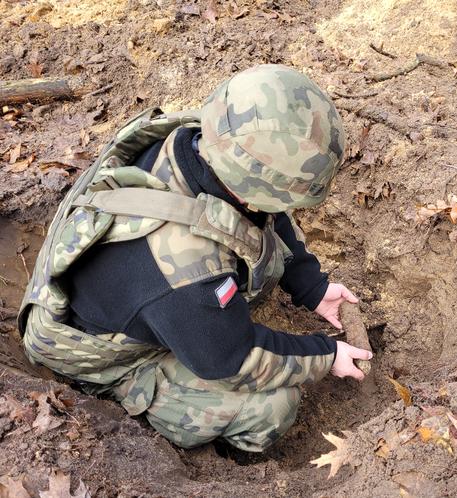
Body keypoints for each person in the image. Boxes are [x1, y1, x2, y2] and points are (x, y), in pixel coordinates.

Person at [18, 64, 372, 452]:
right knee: (271, 406)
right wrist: (326, 354)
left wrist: (314, 288)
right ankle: (233, 462)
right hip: (98, 352)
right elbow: (230, 360)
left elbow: (265, 210)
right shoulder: (181, 269)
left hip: (146, 294)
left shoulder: (211, 143)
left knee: (209, 300)